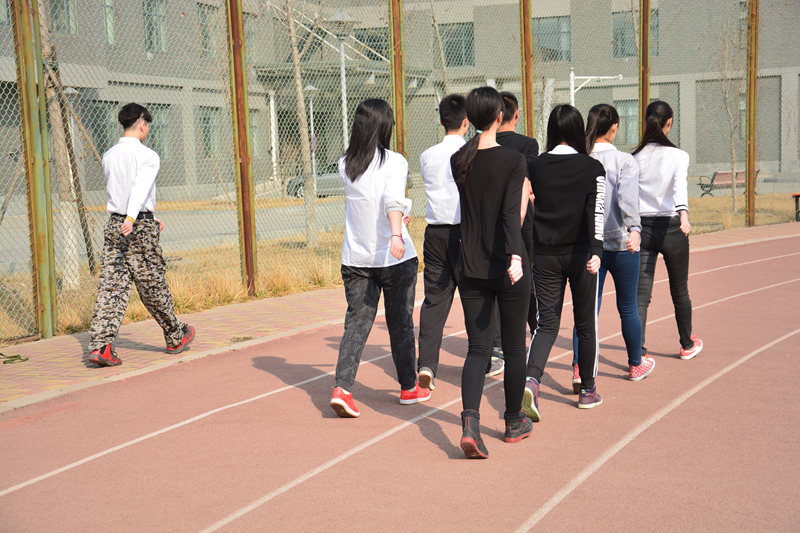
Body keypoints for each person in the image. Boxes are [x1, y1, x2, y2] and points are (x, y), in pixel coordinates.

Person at [330, 99, 429, 418]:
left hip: (356, 259)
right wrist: (397, 234)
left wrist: (399, 217)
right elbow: (390, 200)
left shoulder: (345, 164)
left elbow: (370, 202)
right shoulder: (395, 161)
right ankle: (409, 388)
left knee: (356, 323)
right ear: (384, 127)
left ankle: (342, 389)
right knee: (400, 323)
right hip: (394, 257)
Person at [451, 87, 533, 459]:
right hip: (506, 264)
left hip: (469, 263)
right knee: (514, 349)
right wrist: (516, 255)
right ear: (500, 117)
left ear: (470, 118)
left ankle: (470, 424)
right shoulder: (514, 160)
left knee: (477, 349)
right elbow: (509, 214)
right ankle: (513, 421)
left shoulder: (459, 159)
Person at [87, 103, 195, 367]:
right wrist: (135, 218)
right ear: (142, 124)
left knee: (112, 285)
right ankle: (175, 336)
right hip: (135, 225)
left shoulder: (109, 154)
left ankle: (101, 346)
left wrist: (143, 216)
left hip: (115, 223)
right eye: (148, 126)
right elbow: (138, 188)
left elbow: (120, 192)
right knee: (152, 284)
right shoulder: (149, 156)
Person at [523, 104, 606, 417]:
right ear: (576, 131)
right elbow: (596, 211)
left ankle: (531, 381)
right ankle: (587, 390)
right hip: (582, 255)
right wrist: (597, 251)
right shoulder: (592, 167)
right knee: (586, 325)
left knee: (546, 324)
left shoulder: (535, 165)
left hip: (545, 254)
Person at [570, 104, 654, 393]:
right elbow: (628, 198)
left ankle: (579, 367)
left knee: (587, 310)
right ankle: (635, 364)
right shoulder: (624, 161)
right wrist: (635, 229)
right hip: (621, 243)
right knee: (628, 307)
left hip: (588, 246)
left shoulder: (581, 159)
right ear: (615, 128)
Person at [633, 101, 703, 361]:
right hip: (673, 228)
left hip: (642, 229)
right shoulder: (679, 156)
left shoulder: (634, 158)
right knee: (680, 290)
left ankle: (638, 354)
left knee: (641, 295)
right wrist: (684, 214)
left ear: (646, 122)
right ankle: (687, 344)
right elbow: (679, 187)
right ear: (669, 123)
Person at [417, 94, 473, 391]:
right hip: (465, 233)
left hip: (435, 234)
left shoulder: (427, 155)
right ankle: (484, 358)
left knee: (434, 302)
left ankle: (426, 364)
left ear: (441, 121)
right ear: (467, 121)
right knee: (474, 297)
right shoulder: (471, 151)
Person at [490, 91, 539, 365]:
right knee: (527, 278)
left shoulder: (484, 143)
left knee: (495, 279)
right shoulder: (528, 145)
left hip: (491, 220)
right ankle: (536, 331)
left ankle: (497, 345)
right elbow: (529, 181)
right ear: (516, 114)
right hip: (523, 221)